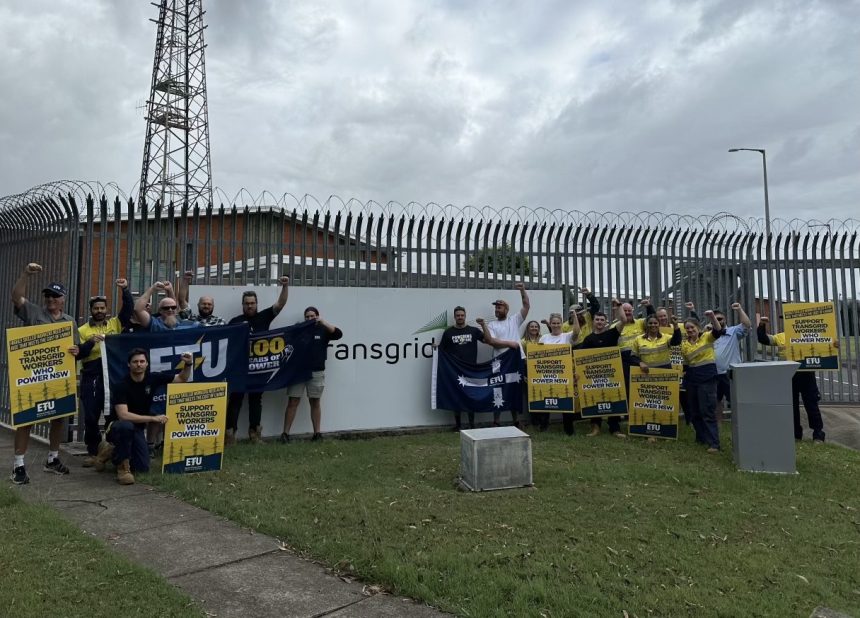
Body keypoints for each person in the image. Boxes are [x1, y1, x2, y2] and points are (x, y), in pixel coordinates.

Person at [9, 263, 79, 484]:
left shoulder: (70, 321)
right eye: (47, 295)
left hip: (57, 378)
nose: (50, 299)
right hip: (32, 377)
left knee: (58, 418)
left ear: (63, 299)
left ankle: (52, 459)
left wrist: (76, 350)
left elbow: (75, 347)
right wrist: (26, 274)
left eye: (55, 296)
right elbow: (17, 297)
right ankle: (18, 465)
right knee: (27, 419)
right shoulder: (34, 312)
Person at [101, 349, 193, 485]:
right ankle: (123, 469)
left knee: (142, 468)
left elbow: (181, 379)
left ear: (147, 364)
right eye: (135, 362)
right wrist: (153, 419)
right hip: (116, 427)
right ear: (129, 365)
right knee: (126, 426)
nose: (139, 364)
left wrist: (188, 364)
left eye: (142, 361)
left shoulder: (153, 378)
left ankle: (111, 450)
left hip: (137, 429)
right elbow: (123, 415)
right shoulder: (121, 385)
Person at [226, 277, 291, 443]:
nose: (249, 306)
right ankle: (229, 435)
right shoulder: (234, 322)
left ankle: (255, 434)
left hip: (259, 368)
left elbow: (280, 304)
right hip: (239, 369)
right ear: (243, 305)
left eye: (252, 303)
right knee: (235, 400)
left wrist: (285, 286)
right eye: (247, 303)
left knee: (256, 400)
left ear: (257, 304)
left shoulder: (264, 316)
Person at [77, 278, 134, 465]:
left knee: (112, 413)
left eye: (102, 308)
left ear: (106, 310)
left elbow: (127, 311)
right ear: (91, 310)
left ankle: (110, 449)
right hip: (91, 375)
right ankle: (93, 452)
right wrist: (90, 342)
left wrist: (125, 290)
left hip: (112, 374)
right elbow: (77, 354)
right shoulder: (82, 330)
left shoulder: (115, 324)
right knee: (91, 415)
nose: (99, 311)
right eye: (96, 308)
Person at [756, 316, 832, 443]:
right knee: (791, 406)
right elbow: (763, 339)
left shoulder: (809, 335)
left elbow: (826, 346)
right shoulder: (780, 336)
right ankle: (796, 434)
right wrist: (762, 325)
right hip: (788, 375)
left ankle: (818, 435)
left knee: (811, 405)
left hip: (806, 374)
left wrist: (834, 344)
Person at [280, 306, 343, 442]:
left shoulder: (323, 329)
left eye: (312, 316)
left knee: (315, 402)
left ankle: (317, 434)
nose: (309, 319)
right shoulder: (298, 329)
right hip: (298, 372)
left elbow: (338, 334)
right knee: (293, 401)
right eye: (307, 316)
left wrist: (323, 322)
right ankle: (285, 434)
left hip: (316, 371)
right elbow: (285, 339)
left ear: (317, 316)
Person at [476, 283, 530, 427]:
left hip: (515, 361)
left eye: (499, 307)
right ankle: (496, 421)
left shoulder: (514, 320)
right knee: (498, 388)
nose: (496, 309)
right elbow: (490, 341)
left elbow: (526, 306)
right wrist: (510, 343)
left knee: (514, 388)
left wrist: (522, 290)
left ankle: (516, 420)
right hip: (498, 362)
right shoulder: (492, 325)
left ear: (506, 309)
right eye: (496, 307)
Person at [576, 306, 628, 437]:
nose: (599, 322)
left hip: (611, 374)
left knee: (613, 399)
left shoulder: (612, 333)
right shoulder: (588, 339)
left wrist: (619, 306)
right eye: (597, 319)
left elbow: (624, 319)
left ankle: (615, 429)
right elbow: (581, 358)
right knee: (595, 399)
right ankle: (595, 427)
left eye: (602, 320)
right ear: (593, 321)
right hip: (593, 377)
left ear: (606, 322)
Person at [434, 306, 486, 431]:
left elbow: (486, 340)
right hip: (454, 370)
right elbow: (442, 350)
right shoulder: (448, 332)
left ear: (465, 316)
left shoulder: (473, 331)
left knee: (471, 395)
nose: (460, 317)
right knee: (456, 396)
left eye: (462, 315)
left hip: (471, 369)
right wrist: (436, 348)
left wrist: (484, 325)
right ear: (454, 317)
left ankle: (472, 424)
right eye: (458, 315)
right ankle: (458, 425)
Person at [679, 311, 724, 452]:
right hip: (692, 380)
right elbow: (685, 365)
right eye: (687, 328)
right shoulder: (684, 345)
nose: (690, 330)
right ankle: (701, 438)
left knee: (707, 411)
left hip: (707, 379)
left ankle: (714, 443)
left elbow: (718, 330)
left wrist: (711, 317)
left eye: (692, 327)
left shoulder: (707, 337)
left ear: (698, 327)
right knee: (695, 412)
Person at [539, 313, 580, 435]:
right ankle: (544, 426)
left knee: (566, 400)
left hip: (564, 374)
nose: (556, 325)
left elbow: (577, 332)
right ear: (550, 324)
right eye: (553, 323)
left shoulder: (567, 336)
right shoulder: (544, 338)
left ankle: (569, 429)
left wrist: (575, 316)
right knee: (546, 399)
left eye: (558, 323)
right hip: (548, 374)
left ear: (561, 324)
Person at [712, 303, 752, 421]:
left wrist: (739, 309)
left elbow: (747, 325)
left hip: (730, 374)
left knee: (735, 401)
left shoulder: (733, 331)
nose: (718, 321)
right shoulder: (708, 335)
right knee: (715, 402)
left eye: (720, 319)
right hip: (714, 374)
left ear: (725, 320)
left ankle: (741, 425)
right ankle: (718, 427)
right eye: (715, 319)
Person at [133, 281, 201, 331]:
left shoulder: (186, 323)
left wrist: (170, 290)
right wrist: (152, 288)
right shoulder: (154, 323)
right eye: (166, 308)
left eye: (173, 308)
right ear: (160, 310)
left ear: (176, 309)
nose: (170, 310)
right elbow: (138, 309)